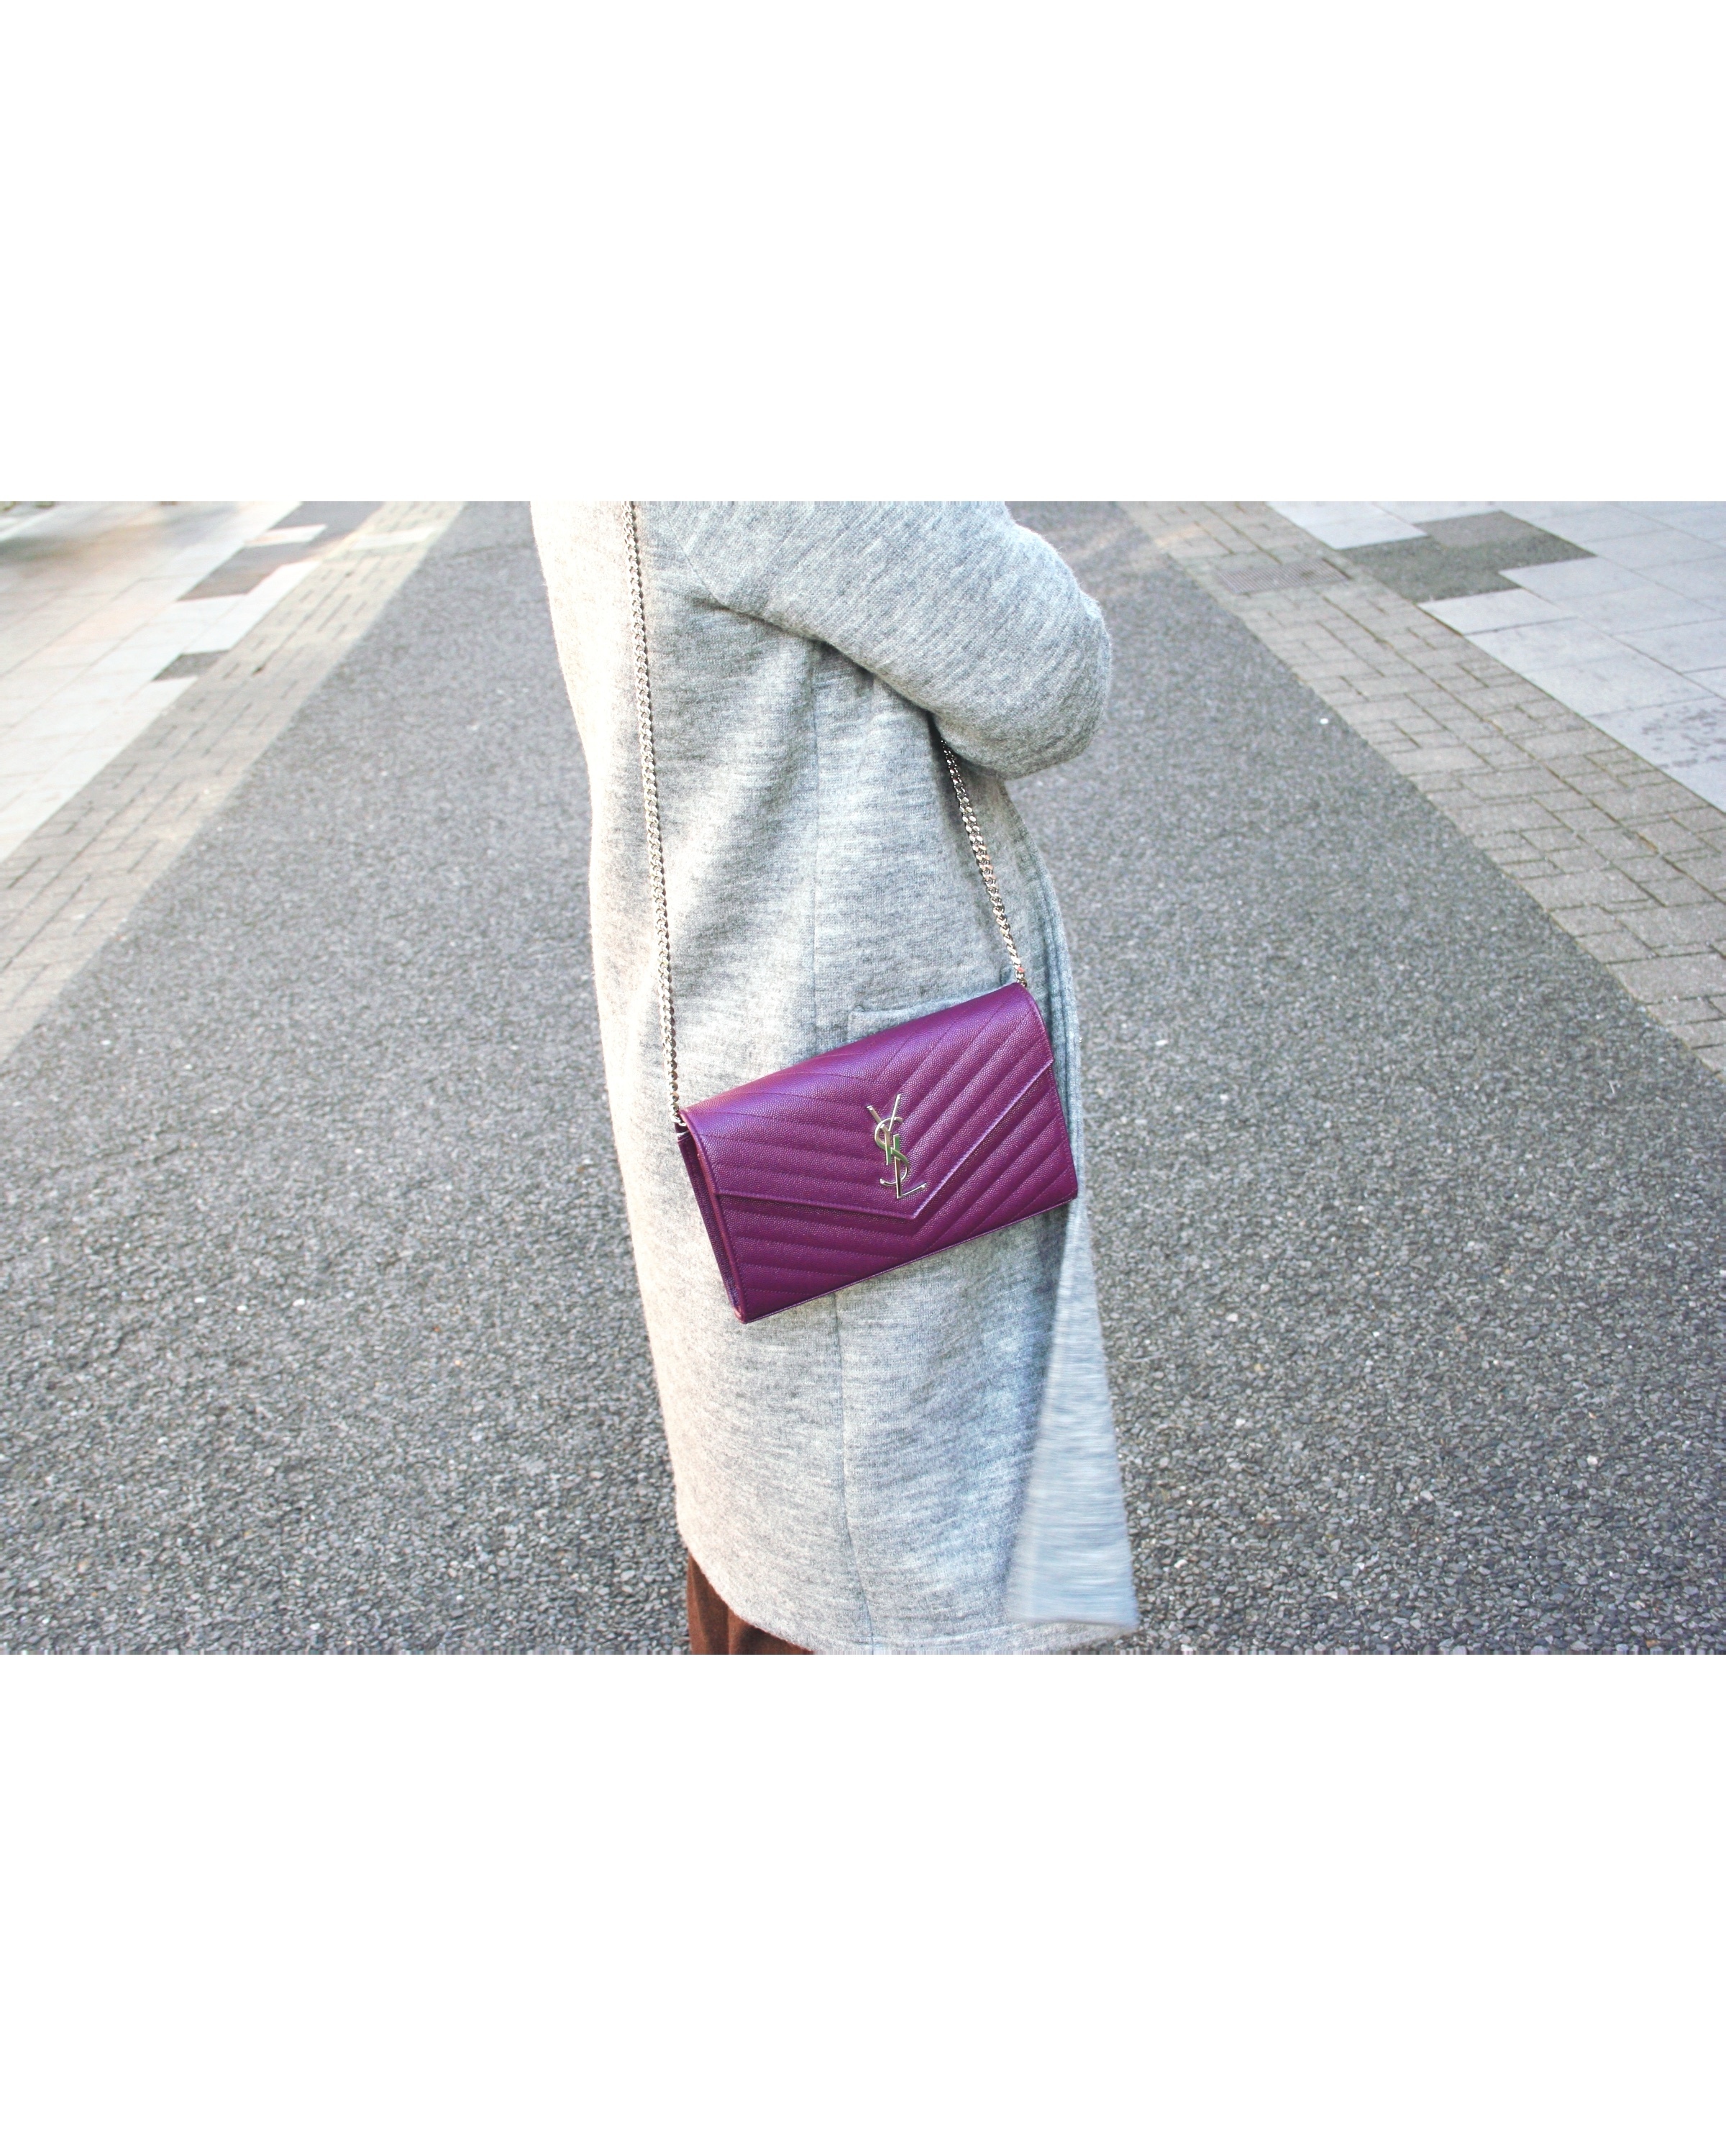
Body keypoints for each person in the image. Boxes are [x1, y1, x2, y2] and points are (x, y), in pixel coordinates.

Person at [531, 502, 1138, 1654]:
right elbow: (1049, 673)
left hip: (743, 1033)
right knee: (903, 1591)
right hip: (868, 1127)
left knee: (780, 1557)